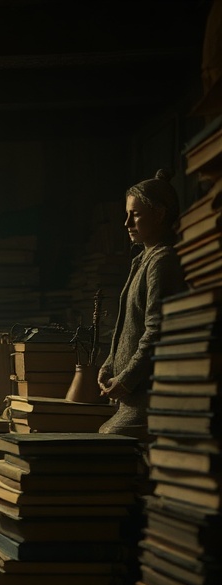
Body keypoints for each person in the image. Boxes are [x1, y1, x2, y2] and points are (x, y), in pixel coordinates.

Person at [98, 169, 188, 440]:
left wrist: (126, 380)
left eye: (134, 214)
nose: (126, 223)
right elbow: (128, 327)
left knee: (107, 441)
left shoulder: (163, 261)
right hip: (130, 399)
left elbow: (156, 332)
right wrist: (109, 366)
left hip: (149, 398)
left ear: (159, 214)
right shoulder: (142, 260)